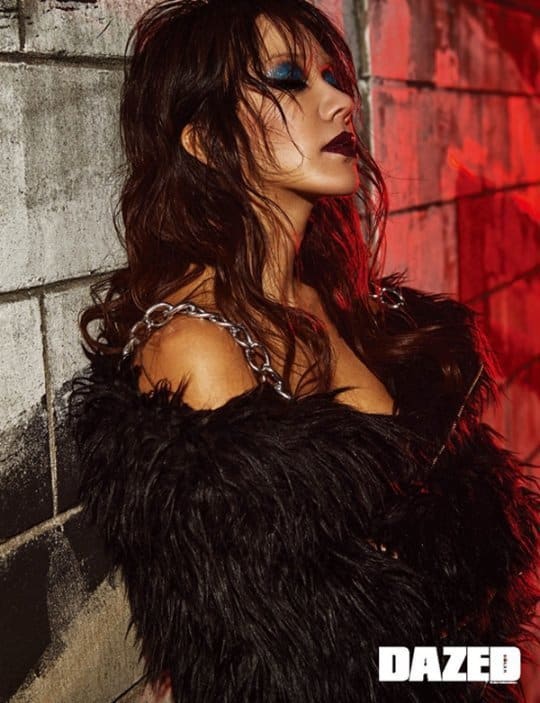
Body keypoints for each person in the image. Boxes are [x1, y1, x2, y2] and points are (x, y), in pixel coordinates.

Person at [69, 1, 540, 701]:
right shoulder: (196, 347)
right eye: (289, 79)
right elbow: (300, 663)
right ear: (205, 140)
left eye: (333, 76)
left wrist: (494, 666)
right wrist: (477, 663)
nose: (340, 101)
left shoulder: (339, 303)